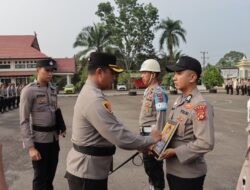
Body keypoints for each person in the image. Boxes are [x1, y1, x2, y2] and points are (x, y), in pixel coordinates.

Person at [65, 52, 161, 190]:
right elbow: (119, 136)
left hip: (91, 170)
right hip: (87, 174)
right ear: (99, 72)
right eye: (112, 73)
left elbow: (115, 125)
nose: (114, 78)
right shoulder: (94, 99)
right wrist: (149, 140)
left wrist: (141, 145)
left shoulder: (93, 93)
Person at [160, 56, 215, 190]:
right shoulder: (180, 100)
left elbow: (205, 142)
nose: (174, 77)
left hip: (189, 175)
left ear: (192, 78)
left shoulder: (200, 105)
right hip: (173, 171)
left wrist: (175, 152)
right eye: (174, 74)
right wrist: (158, 143)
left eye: (179, 73)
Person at [20, 59, 64, 190]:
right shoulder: (29, 91)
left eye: (52, 71)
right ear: (38, 70)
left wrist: (61, 126)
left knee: (50, 177)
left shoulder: (53, 88)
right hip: (39, 141)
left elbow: (55, 109)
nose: (50, 73)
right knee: (40, 179)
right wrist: (30, 147)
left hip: (53, 139)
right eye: (47, 70)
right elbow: (24, 120)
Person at [139, 59, 167, 190]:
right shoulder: (147, 91)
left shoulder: (159, 93)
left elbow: (161, 118)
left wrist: (157, 142)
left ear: (153, 74)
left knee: (155, 170)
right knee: (148, 168)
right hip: (145, 134)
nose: (142, 75)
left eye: (144, 73)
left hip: (153, 136)